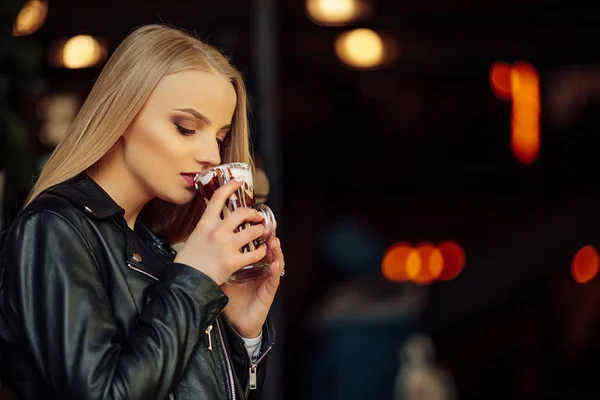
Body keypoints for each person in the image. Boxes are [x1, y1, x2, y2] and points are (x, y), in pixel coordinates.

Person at [0, 24, 285, 399]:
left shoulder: (159, 250)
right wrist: (193, 281)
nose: (212, 157)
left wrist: (243, 336)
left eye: (219, 137)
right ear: (122, 113)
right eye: (185, 128)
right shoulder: (55, 230)